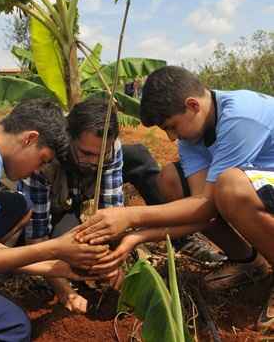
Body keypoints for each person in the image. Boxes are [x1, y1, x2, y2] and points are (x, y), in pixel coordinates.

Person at [76, 66, 274, 332]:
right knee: (170, 178)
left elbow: (206, 207)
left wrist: (130, 217)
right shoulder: (194, 132)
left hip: (259, 181)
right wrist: (136, 236)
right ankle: (247, 262)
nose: (171, 137)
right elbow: (200, 205)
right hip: (262, 185)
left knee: (229, 187)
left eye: (171, 126)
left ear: (192, 105)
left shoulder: (240, 117)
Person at [18, 96, 222, 313]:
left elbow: (110, 213)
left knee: (138, 156)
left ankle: (181, 238)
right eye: (86, 153)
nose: (94, 162)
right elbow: (36, 238)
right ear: (69, 137)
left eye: (101, 155)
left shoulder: (110, 148)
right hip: (59, 203)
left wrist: (111, 260)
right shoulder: (41, 160)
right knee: (72, 252)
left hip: (87, 192)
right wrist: (64, 291)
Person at [0, 98, 112, 341]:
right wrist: (54, 249)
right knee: (13, 326)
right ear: (30, 138)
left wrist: (53, 267)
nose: (36, 170)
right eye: (42, 159)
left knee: (16, 206)